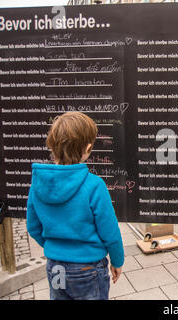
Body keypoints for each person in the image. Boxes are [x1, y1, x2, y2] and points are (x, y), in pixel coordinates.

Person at [26, 112, 124, 300]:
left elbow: (33, 227)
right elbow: (110, 232)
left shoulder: (38, 185)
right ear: (87, 148)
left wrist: (55, 247)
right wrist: (117, 260)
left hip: (55, 266)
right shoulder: (94, 185)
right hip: (88, 269)